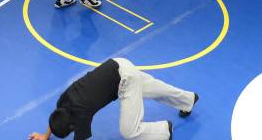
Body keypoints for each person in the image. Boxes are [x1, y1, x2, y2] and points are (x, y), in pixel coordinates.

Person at [28, 58, 197, 140]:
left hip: (124, 81)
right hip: (118, 65)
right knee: (153, 88)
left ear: (73, 126)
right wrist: (45, 135)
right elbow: (54, 118)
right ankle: (188, 100)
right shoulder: (63, 101)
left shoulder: (82, 115)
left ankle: (164, 130)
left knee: (129, 131)